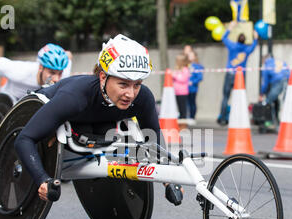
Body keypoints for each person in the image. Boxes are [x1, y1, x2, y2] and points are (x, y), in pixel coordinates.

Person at [14, 34, 184, 205]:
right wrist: (42, 180)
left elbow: (153, 140)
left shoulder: (143, 98)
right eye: (123, 84)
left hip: (92, 126)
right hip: (44, 113)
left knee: (106, 133)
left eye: (137, 84)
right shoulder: (75, 97)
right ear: (103, 77)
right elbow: (24, 138)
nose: (130, 94)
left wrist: (169, 178)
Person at [0, 43, 72, 103]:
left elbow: (69, 55)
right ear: (41, 67)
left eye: (59, 73)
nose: (56, 79)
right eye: (51, 72)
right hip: (8, 103)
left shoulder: (64, 73)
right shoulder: (20, 71)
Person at [218, 21, 258, 126]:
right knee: (240, 96)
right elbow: (254, 44)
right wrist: (255, 37)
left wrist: (230, 28)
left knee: (226, 97)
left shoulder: (232, 46)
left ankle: (222, 118)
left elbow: (224, 38)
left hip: (230, 74)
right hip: (240, 76)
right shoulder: (247, 49)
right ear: (245, 41)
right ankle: (240, 117)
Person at [259, 54, 290, 126]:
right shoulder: (280, 61)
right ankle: (279, 120)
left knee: (268, 101)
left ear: (264, 60)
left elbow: (265, 83)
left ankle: (270, 121)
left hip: (279, 82)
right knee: (284, 101)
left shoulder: (266, 66)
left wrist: (261, 94)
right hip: (289, 81)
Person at [187, 50, 204, 124]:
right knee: (187, 103)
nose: (189, 56)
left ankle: (192, 117)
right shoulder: (186, 65)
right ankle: (187, 117)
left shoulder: (197, 66)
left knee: (192, 102)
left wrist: (192, 82)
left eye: (191, 55)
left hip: (193, 89)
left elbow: (200, 77)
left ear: (194, 57)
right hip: (185, 89)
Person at [172, 54, 190, 120]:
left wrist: (175, 76)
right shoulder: (176, 69)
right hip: (176, 92)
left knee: (183, 107)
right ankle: (181, 118)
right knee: (179, 107)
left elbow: (183, 79)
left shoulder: (185, 70)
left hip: (182, 92)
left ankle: (183, 119)